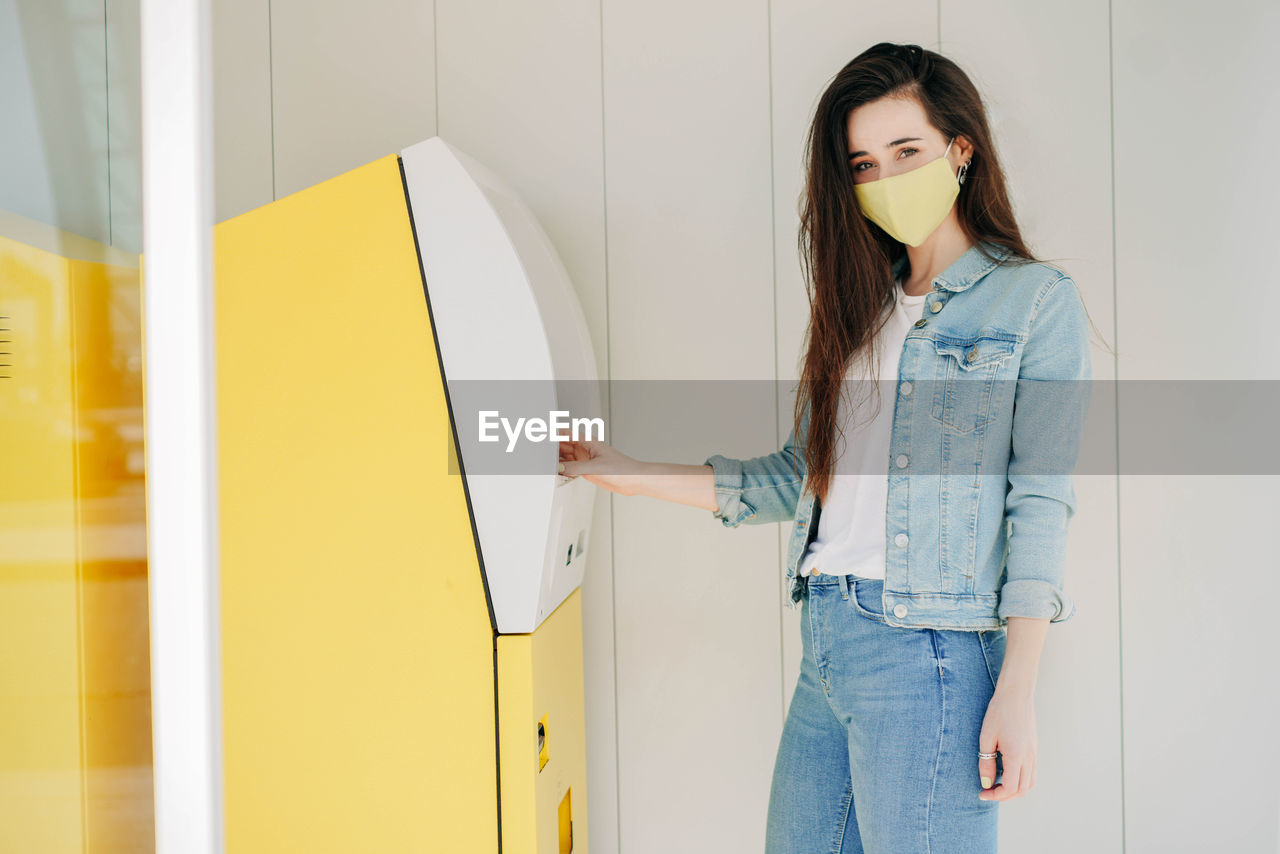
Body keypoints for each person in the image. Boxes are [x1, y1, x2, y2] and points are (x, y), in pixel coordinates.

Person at [558, 41, 1097, 854]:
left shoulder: (1033, 303)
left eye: (906, 152)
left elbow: (1040, 501)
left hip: (932, 656)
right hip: (827, 643)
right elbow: (794, 481)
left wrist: (1017, 690)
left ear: (961, 149)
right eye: (864, 164)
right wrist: (627, 475)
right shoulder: (858, 313)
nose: (885, 180)